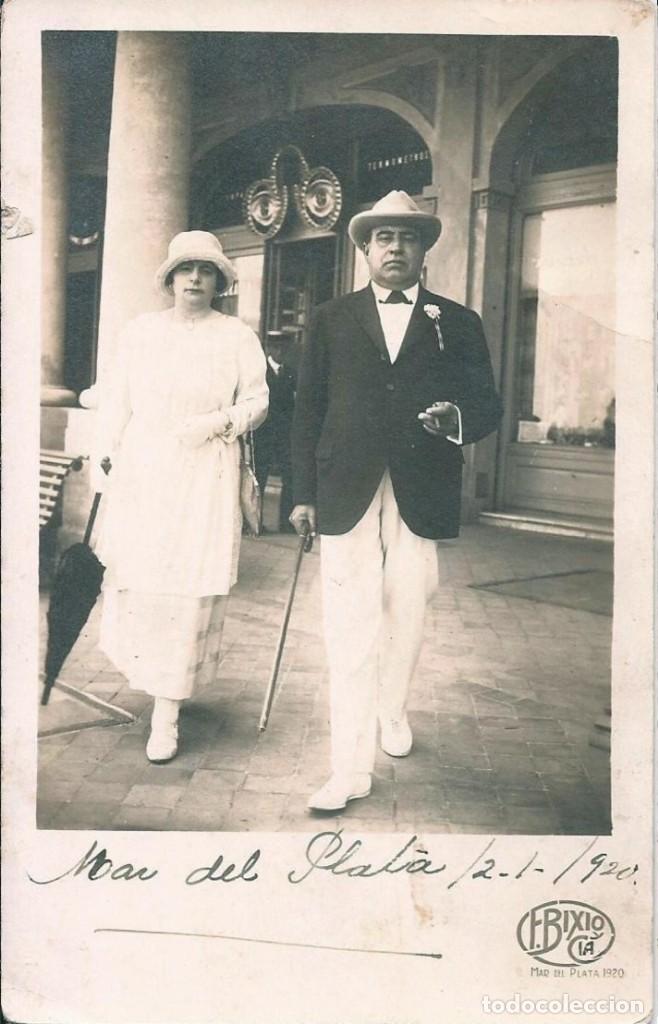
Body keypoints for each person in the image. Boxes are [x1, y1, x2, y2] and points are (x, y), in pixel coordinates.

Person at [290, 190, 502, 812]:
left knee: (408, 613)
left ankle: (392, 710)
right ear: (364, 250)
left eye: (407, 238)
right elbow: (306, 411)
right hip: (344, 490)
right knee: (348, 627)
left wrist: (454, 417)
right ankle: (348, 768)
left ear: (424, 249)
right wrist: (301, 494)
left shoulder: (457, 321)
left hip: (421, 488)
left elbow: (487, 405)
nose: (395, 248)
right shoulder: (330, 318)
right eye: (383, 238)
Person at [93, 231, 268, 763]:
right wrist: (104, 456)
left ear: (219, 281)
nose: (195, 279)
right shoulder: (141, 332)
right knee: (144, 581)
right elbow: (115, 400)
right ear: (170, 278)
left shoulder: (236, 335)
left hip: (205, 472)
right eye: (186, 270)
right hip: (145, 473)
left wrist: (218, 422)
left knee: (187, 586)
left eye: (206, 271)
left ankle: (167, 714)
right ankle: (152, 682)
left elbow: (258, 401)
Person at [254, 331, 297, 532]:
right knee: (259, 478)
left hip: (284, 435)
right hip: (263, 433)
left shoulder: (289, 372)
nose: (281, 352)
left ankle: (286, 524)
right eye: (277, 347)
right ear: (269, 349)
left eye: (284, 348)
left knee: (290, 475)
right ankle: (254, 523)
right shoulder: (259, 372)